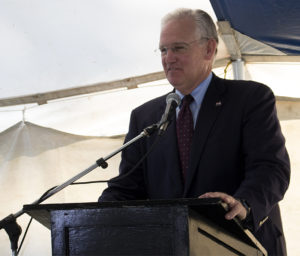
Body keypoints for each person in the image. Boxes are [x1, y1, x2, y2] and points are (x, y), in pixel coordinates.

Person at [99, 8, 290, 256]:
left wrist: (243, 204)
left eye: (178, 48)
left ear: (209, 49)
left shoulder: (250, 99)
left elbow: (270, 168)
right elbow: (127, 188)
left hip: (243, 245)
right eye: (163, 50)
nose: (169, 58)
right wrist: (94, 213)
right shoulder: (144, 117)